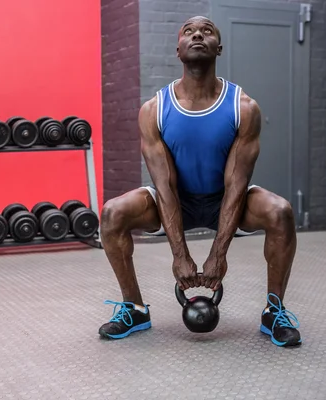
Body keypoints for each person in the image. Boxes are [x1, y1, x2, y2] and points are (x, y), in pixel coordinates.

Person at [98, 16, 302, 347]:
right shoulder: (154, 109)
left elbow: (237, 185)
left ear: (218, 48)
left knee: (280, 212)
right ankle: (134, 308)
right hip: (177, 200)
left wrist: (218, 253)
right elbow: (164, 187)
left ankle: (273, 310)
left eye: (207, 31)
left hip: (226, 199)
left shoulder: (243, 107)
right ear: (178, 49)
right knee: (112, 213)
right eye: (189, 32)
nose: (197, 34)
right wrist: (180, 255)